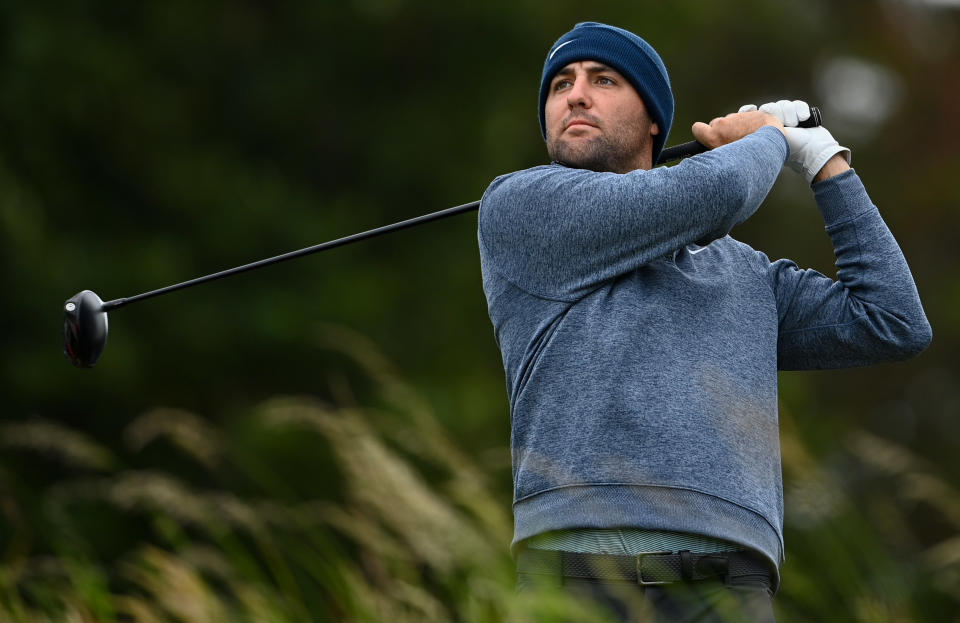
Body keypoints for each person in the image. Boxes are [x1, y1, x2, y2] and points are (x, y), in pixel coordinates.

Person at [477, 21, 932, 622]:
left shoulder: (747, 274)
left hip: (727, 590)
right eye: (560, 84)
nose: (575, 95)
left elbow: (892, 319)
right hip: (574, 576)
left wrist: (826, 163)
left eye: (603, 79)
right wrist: (770, 137)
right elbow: (715, 190)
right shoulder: (521, 206)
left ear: (653, 122)